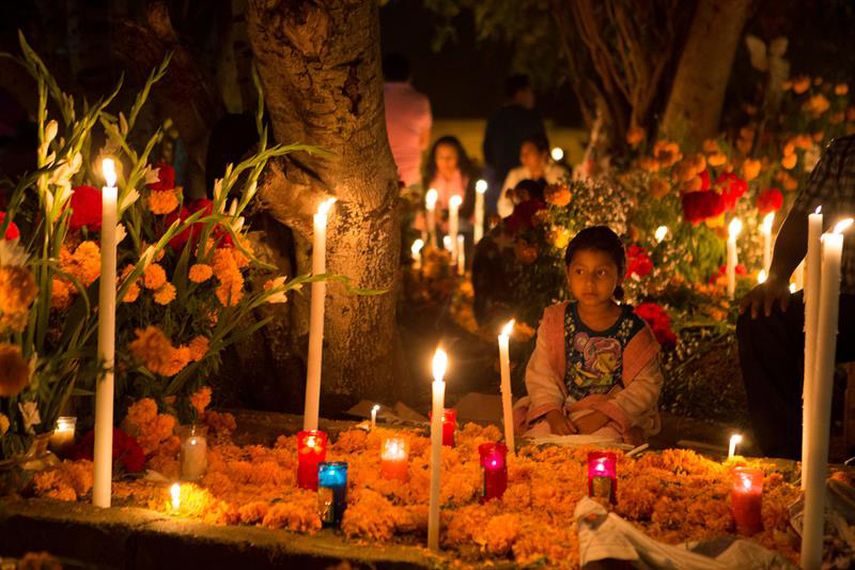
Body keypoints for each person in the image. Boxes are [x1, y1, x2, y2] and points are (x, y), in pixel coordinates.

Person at [738, 134, 855, 460]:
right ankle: (786, 457)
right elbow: (806, 213)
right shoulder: (845, 153)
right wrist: (777, 277)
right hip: (843, 300)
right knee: (762, 319)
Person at [513, 226, 664, 444]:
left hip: (610, 418)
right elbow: (542, 374)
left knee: (605, 449)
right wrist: (554, 415)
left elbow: (646, 385)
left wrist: (603, 415)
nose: (589, 282)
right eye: (580, 271)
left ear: (620, 274)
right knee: (540, 444)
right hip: (563, 411)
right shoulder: (556, 321)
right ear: (568, 272)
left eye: (601, 272)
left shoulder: (633, 330)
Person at [482, 74, 546, 214]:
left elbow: (487, 152)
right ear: (520, 93)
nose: (533, 96)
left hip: (498, 180)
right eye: (530, 92)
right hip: (528, 182)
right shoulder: (530, 118)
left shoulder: (496, 117)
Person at [383, 53, 432, 195]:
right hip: (410, 178)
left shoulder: (375, 99)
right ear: (410, 75)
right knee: (414, 216)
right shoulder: (420, 101)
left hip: (378, 179)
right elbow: (424, 144)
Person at [497, 133, 569, 218]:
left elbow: (565, 204)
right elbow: (502, 206)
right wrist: (523, 214)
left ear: (543, 153)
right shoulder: (515, 175)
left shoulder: (558, 174)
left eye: (529, 152)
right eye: (522, 153)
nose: (523, 157)